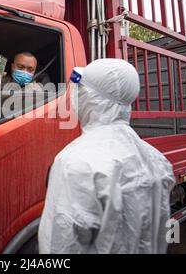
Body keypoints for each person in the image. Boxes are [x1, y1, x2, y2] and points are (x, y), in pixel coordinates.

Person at [38, 59, 176, 254]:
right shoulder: (157, 160)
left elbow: (58, 248)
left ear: (89, 97)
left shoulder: (74, 162)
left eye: (79, 90)